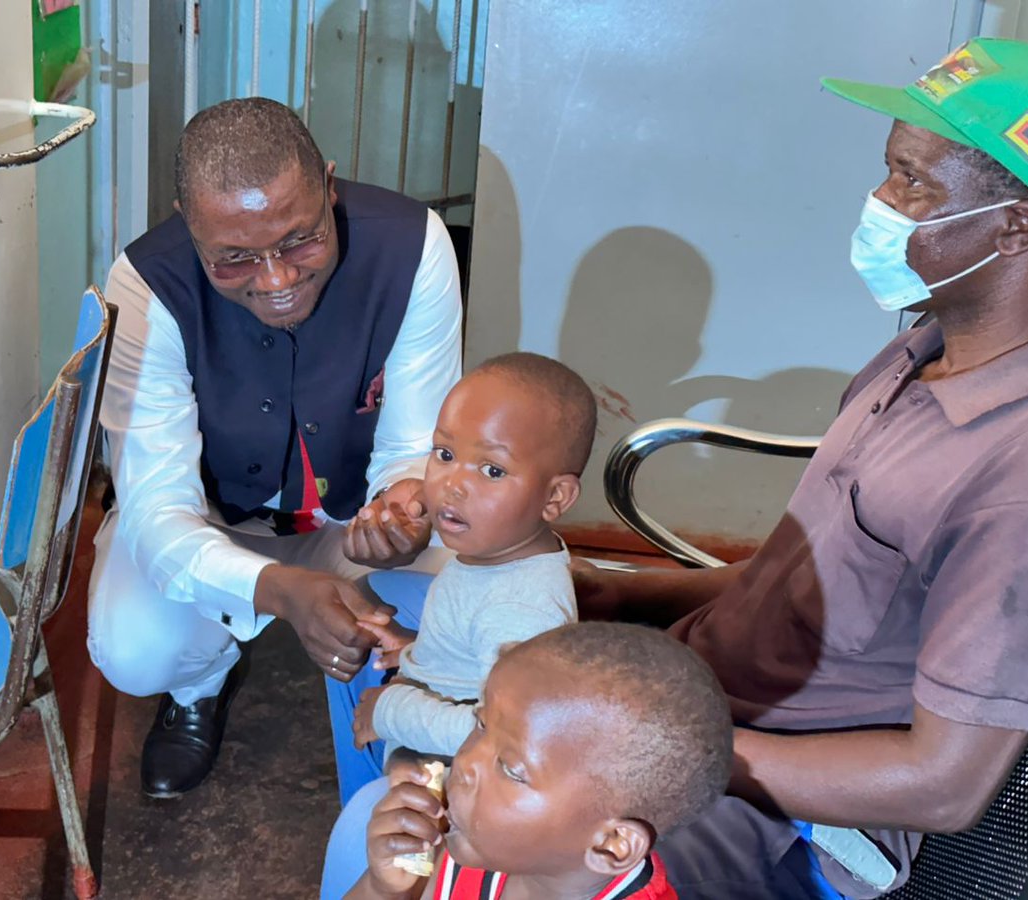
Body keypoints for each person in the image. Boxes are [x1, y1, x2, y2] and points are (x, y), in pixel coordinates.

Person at [575, 37, 1028, 898]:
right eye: (887, 171)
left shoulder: (1027, 479)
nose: (880, 203)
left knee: (506, 849)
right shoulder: (921, 351)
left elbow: (944, 784)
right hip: (702, 708)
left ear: (1014, 228)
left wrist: (671, 748)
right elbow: (807, 583)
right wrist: (615, 591)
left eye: (914, 183)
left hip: (791, 820)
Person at [87, 97, 462, 799]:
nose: (277, 279)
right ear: (187, 222)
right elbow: (159, 513)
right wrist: (279, 591)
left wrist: (403, 508)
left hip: (349, 523)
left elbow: (416, 443)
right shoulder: (146, 286)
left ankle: (428, 720)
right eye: (233, 258)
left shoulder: (414, 246)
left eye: (299, 240)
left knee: (475, 594)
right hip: (215, 522)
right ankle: (200, 682)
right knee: (133, 649)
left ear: (328, 184)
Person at [338, 352, 595, 798]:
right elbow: (477, 640)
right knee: (364, 601)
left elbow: (509, 741)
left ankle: (367, 822)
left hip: (457, 783)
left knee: (371, 829)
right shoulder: (500, 549)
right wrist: (422, 652)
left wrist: (390, 711)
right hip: (439, 714)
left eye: (492, 470)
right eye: (445, 453)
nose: (452, 485)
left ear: (555, 498)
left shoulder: (521, 610)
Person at [345, 622, 733, 900]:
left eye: (512, 769)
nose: (465, 764)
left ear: (612, 845)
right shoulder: (470, 842)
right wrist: (385, 890)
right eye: (481, 724)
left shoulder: (490, 835)